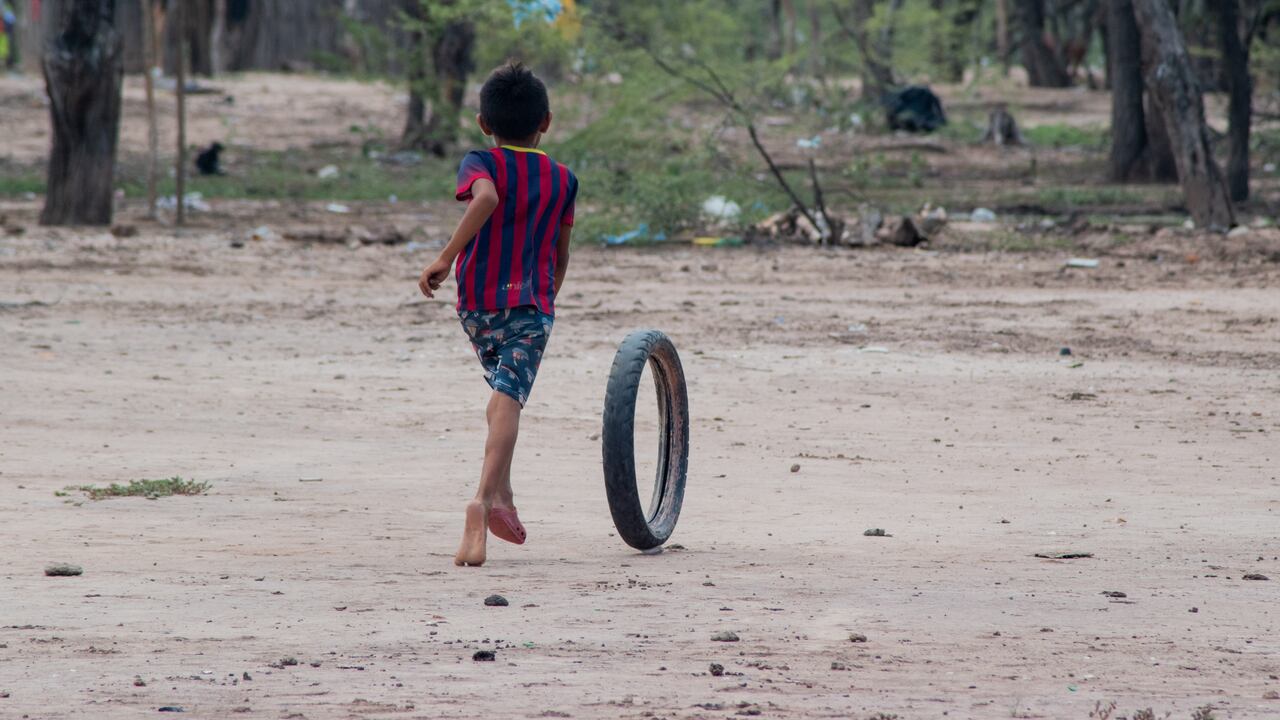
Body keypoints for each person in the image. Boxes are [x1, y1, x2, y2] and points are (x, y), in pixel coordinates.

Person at [418, 61, 578, 567]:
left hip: (477, 306)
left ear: (484, 123)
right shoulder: (564, 180)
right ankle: (482, 503)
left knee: (500, 397)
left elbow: (484, 193)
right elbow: (560, 254)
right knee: (509, 399)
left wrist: (448, 262)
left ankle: (505, 497)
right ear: (546, 121)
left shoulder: (479, 160)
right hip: (530, 306)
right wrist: (546, 301)